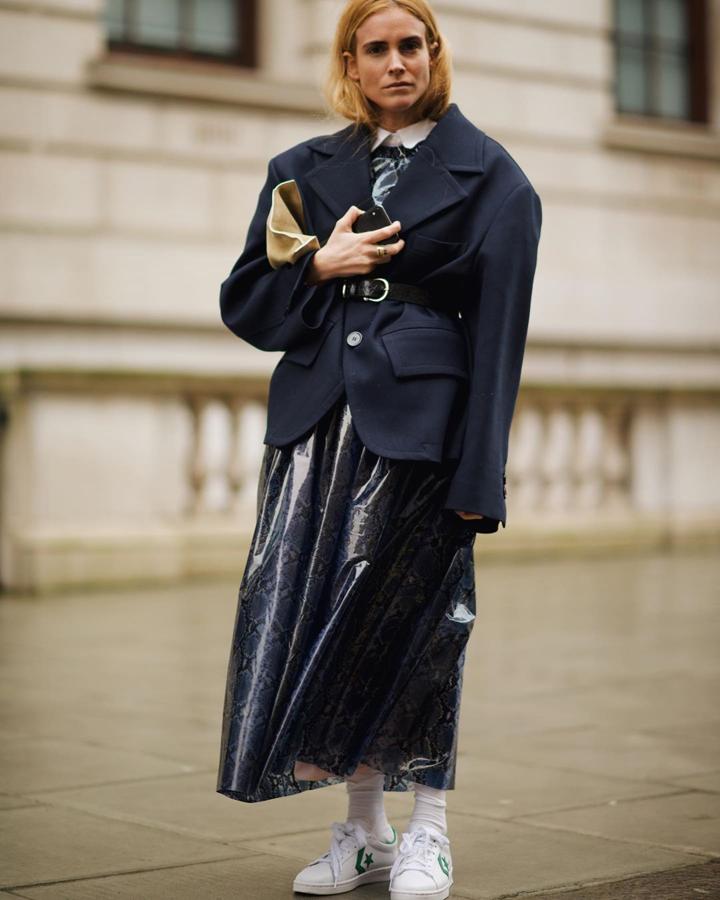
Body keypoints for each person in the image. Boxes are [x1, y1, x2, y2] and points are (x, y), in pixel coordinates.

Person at [216, 2, 542, 898]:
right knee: (329, 627)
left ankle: (429, 833)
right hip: (315, 433)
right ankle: (362, 832)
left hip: (423, 437)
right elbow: (246, 303)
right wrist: (318, 265)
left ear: (433, 56)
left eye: (411, 46)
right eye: (377, 50)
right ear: (350, 64)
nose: (396, 63)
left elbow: (500, 340)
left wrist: (482, 475)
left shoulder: (495, 180)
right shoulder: (300, 170)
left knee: (426, 632)